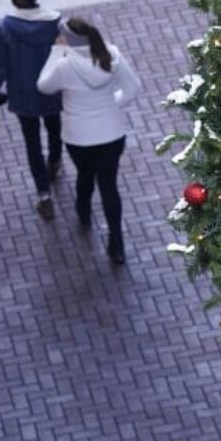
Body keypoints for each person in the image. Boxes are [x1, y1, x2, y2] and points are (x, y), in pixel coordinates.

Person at [37, 17, 140, 264]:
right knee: (109, 186)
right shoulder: (111, 55)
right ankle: (116, 243)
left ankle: (83, 211)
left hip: (78, 137)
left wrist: (55, 52)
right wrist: (111, 105)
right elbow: (132, 88)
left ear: (69, 41)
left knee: (85, 174)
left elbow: (43, 86)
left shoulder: (64, 65)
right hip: (111, 134)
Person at [0, 0, 62, 220]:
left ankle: (44, 195)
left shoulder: (6, 27)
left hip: (22, 93)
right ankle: (55, 161)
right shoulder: (55, 22)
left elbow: (0, 66)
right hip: (52, 89)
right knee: (54, 127)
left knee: (32, 143)